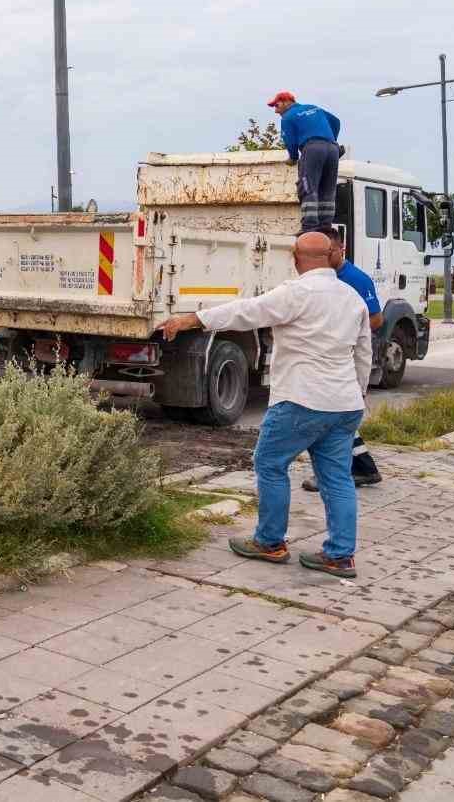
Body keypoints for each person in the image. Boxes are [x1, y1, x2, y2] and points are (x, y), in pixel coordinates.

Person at [156, 230, 370, 578]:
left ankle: (270, 542)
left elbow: (245, 312)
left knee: (270, 464)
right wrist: (357, 396)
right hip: (343, 403)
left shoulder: (295, 293)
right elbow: (364, 353)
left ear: (296, 259)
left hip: (301, 399)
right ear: (331, 255)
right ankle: (340, 555)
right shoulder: (352, 297)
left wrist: (190, 319)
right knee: (337, 479)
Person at [302, 227, 383, 491]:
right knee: (335, 420)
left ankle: (341, 473)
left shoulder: (356, 279)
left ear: (341, 249)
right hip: (325, 357)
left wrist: (342, 333)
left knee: (327, 417)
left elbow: (376, 319)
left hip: (344, 358)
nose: (325, 257)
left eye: (330, 252)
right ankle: (363, 468)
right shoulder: (317, 280)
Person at [270, 91, 342, 231]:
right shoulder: (313, 107)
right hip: (333, 149)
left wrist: (293, 157)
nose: (276, 110)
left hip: (313, 148)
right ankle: (325, 226)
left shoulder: (288, 117)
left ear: (286, 102)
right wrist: (331, 139)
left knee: (308, 187)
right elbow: (336, 121)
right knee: (327, 189)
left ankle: (309, 226)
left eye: (277, 106)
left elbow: (289, 140)